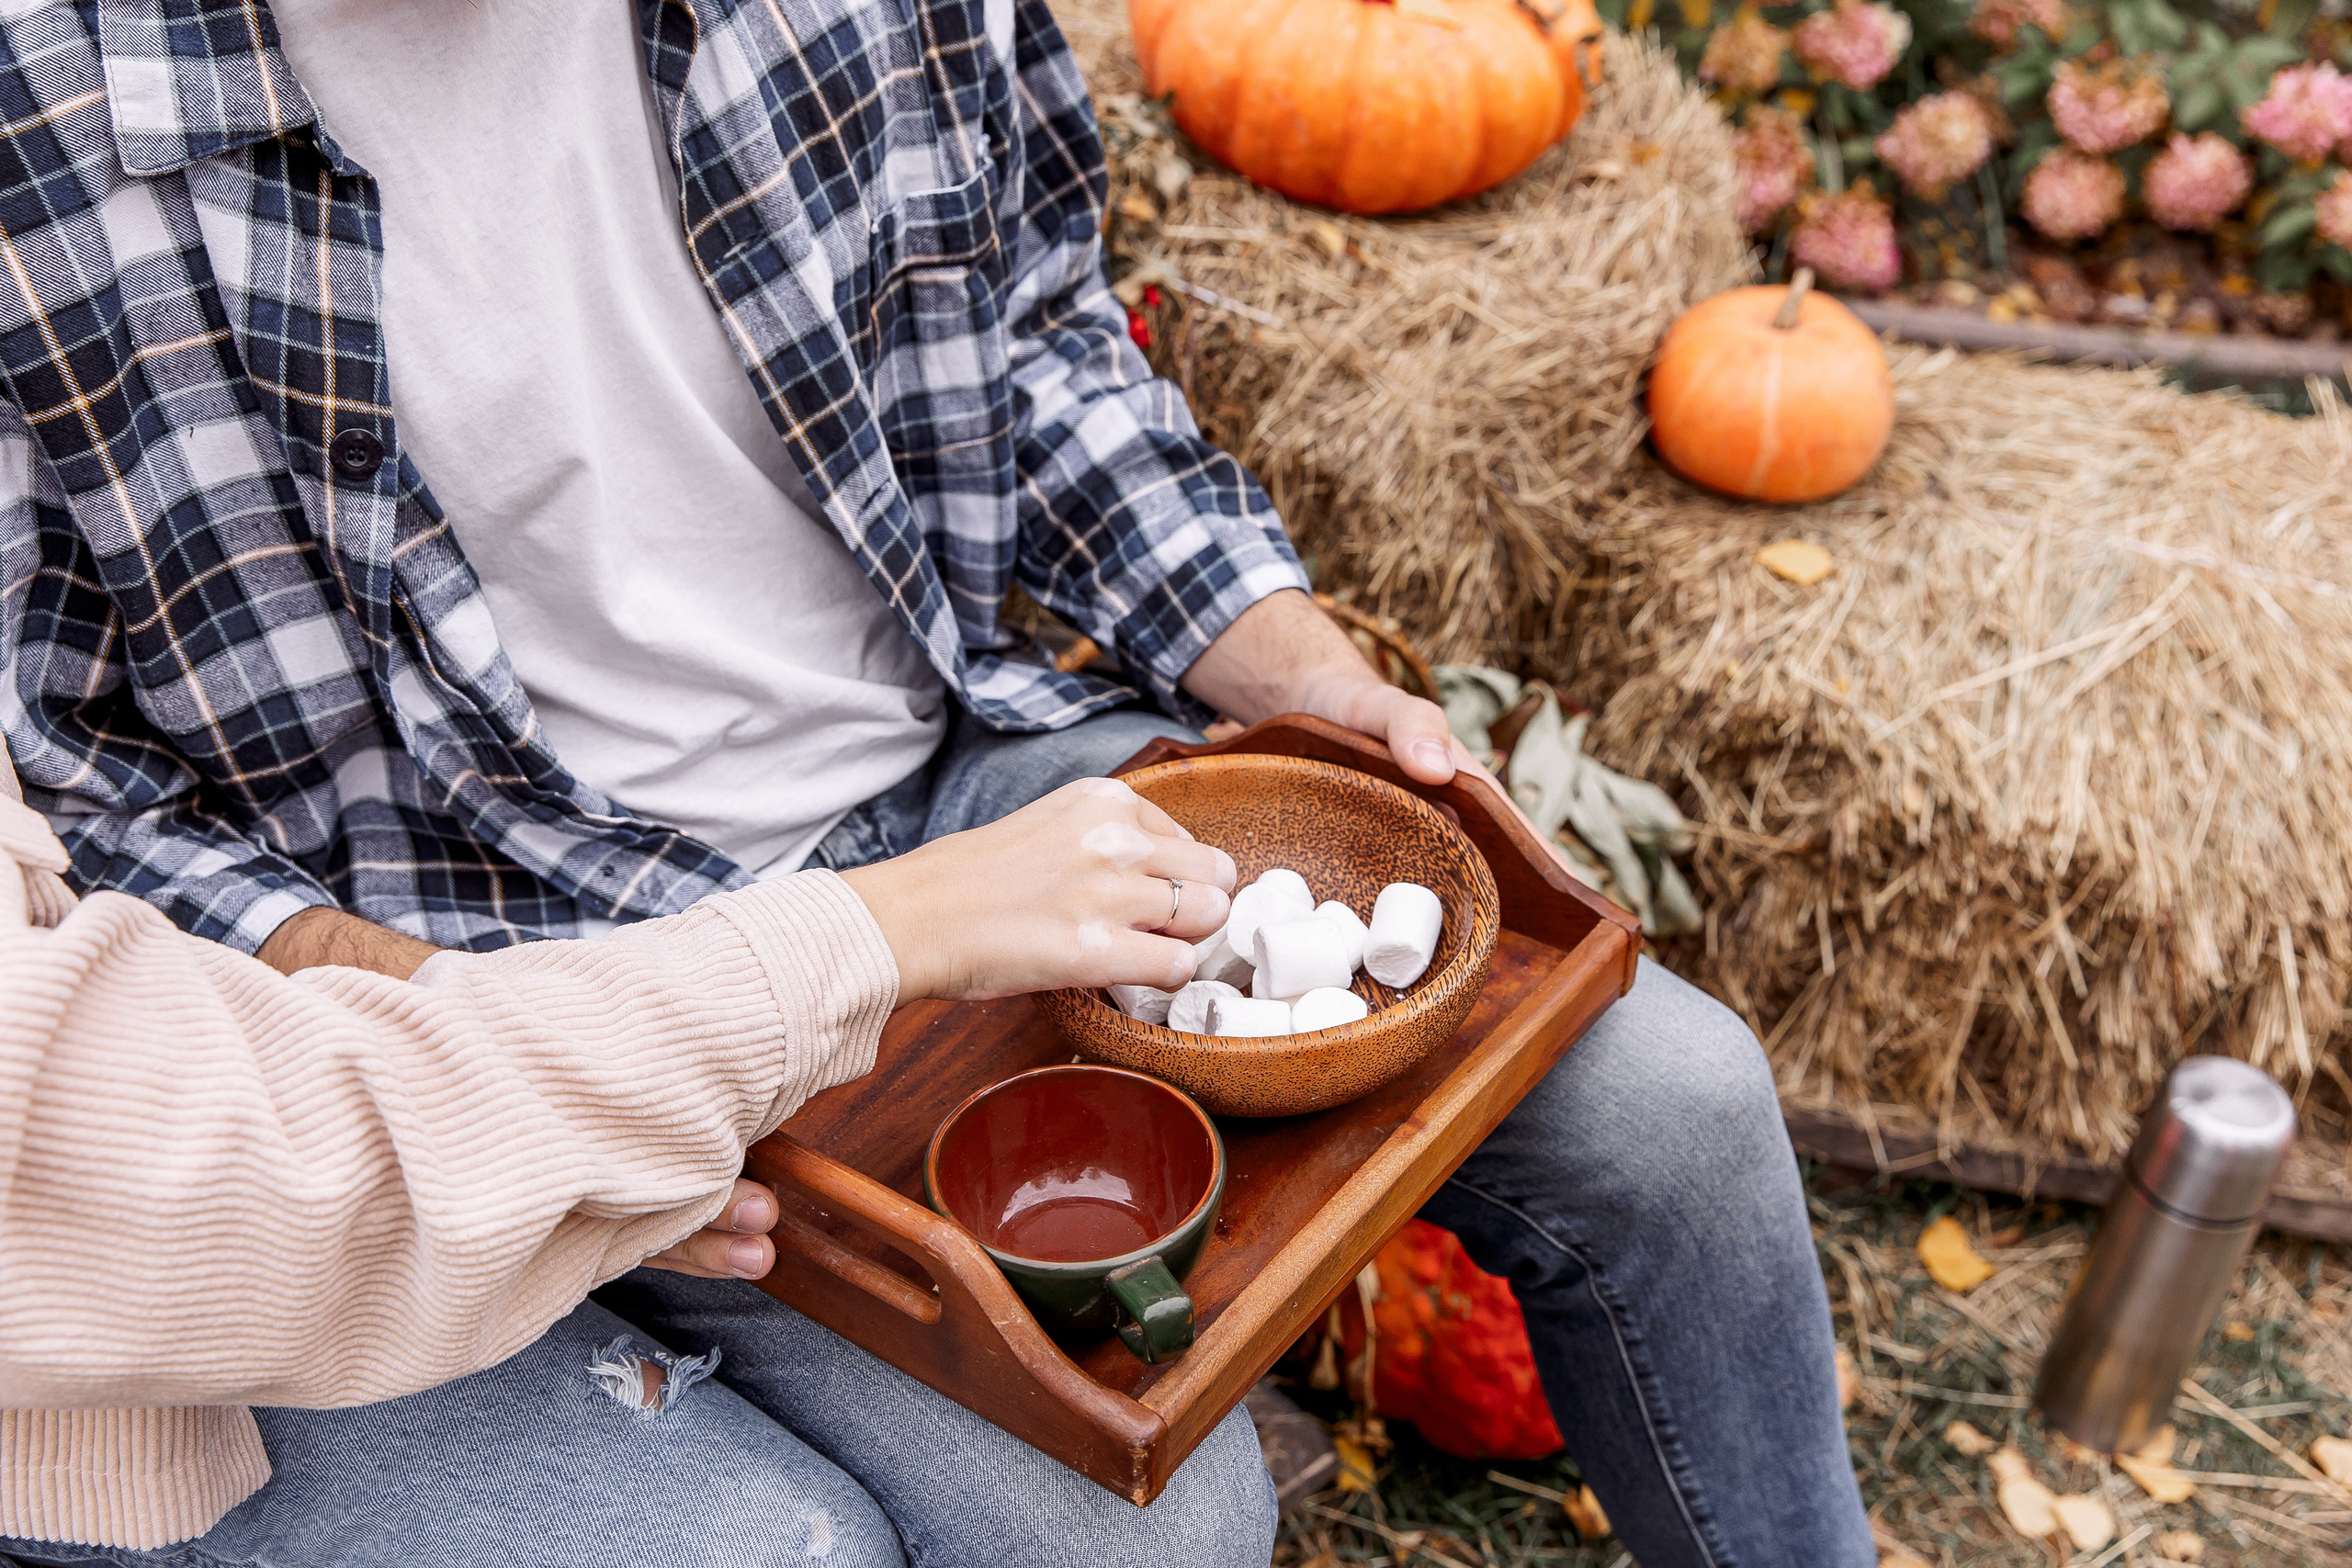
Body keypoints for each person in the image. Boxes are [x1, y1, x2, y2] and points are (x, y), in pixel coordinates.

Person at [0, 1, 1873, 1565]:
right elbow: (77, 797)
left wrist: (1292, 659)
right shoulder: (46, 121)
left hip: (971, 785)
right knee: (1146, 1529)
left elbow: (1032, 332)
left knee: (1683, 1106)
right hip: (544, 962)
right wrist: (491, 1049)